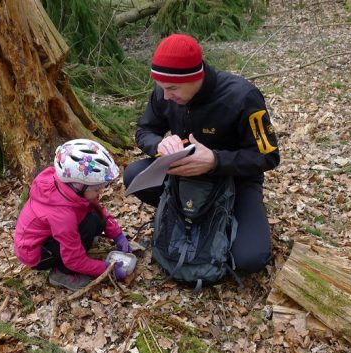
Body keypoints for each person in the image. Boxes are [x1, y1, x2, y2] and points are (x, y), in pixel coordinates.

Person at [124, 34, 280, 275]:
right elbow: (145, 129)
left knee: (250, 259)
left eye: (172, 88)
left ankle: (225, 217)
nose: (166, 96)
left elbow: (268, 156)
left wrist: (215, 161)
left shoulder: (242, 96)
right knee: (134, 175)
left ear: (196, 78)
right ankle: (186, 213)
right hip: (183, 175)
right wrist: (160, 145)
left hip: (235, 180)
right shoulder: (165, 92)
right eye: (162, 88)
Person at [14, 139, 133, 291]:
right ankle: (61, 274)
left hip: (54, 232)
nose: (100, 192)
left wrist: (118, 235)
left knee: (95, 218)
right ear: (78, 185)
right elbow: (73, 259)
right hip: (36, 253)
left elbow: (98, 210)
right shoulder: (62, 215)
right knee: (88, 225)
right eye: (96, 189)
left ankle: (82, 242)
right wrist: (107, 268)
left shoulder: (68, 188)